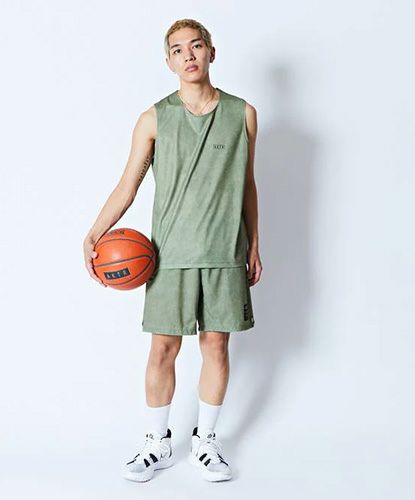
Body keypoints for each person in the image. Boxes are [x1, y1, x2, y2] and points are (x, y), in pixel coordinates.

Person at [83, 18, 262, 483]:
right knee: (163, 349)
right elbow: (128, 184)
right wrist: (95, 232)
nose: (188, 55)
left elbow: (246, 183)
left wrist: (254, 243)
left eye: (196, 46)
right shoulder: (154, 119)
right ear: (168, 62)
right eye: (178, 50)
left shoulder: (243, 113)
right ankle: (156, 443)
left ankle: (206, 442)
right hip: (168, 255)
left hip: (224, 251)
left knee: (216, 346)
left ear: (211, 52)